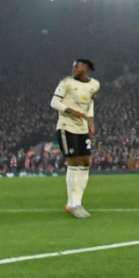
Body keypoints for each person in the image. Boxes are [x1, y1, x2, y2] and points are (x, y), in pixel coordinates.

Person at [52, 58, 101, 218]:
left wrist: (91, 123)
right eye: (73, 66)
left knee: (86, 162)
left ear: (85, 68)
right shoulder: (66, 83)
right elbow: (54, 102)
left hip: (82, 128)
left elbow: (90, 104)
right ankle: (72, 203)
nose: (73, 69)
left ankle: (78, 201)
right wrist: (72, 111)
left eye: (77, 66)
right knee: (73, 162)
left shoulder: (95, 85)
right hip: (67, 126)